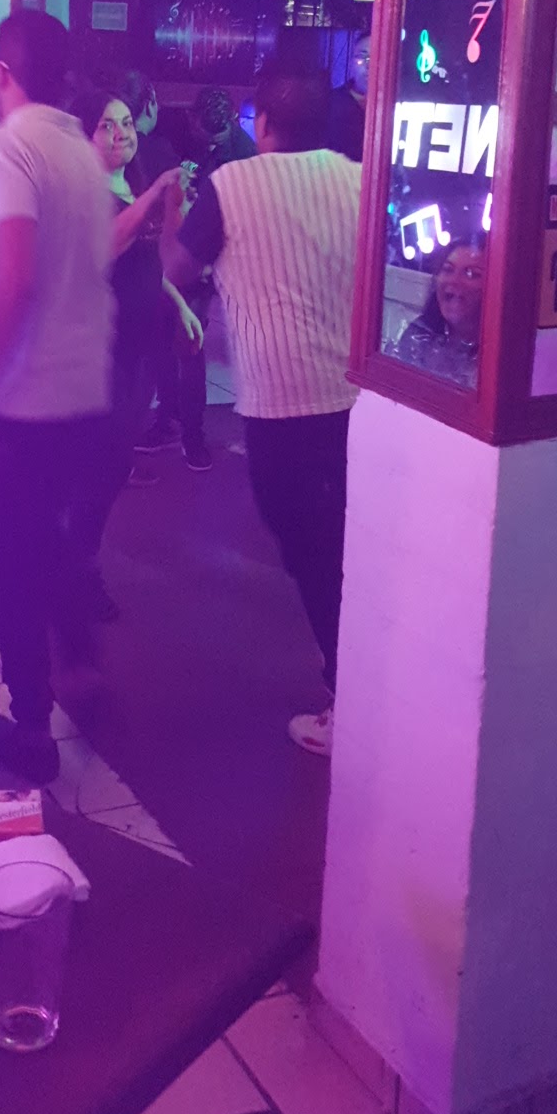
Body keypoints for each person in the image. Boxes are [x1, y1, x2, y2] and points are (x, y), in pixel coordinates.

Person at [161, 64, 361, 757]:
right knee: (344, 546)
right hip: (357, 397)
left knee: (310, 551)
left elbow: (175, 270)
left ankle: (348, 696)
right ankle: (360, 678)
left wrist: (170, 211)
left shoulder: (231, 184)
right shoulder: (357, 179)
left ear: (263, 122)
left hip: (282, 400)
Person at [0, 11, 115, 785]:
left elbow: (12, 278)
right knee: (42, 537)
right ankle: (74, 619)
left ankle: (32, 728)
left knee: (11, 564)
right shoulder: (82, 154)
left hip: (17, 397)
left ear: (1, 71)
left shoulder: (3, 148)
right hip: (81, 391)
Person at [70, 89, 201, 624]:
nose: (121, 133)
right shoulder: (83, 193)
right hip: (97, 349)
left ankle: (75, 562)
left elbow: (153, 259)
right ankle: (76, 571)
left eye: (125, 123)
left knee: (115, 459)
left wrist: (179, 304)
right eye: (106, 125)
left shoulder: (131, 185)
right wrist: (153, 197)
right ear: (86, 135)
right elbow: (107, 247)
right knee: (97, 465)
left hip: (138, 346)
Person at [139, 85, 256, 471]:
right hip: (175, 249)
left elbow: (239, 222)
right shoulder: (185, 135)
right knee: (162, 338)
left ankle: (192, 435)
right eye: (205, 135)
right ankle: (169, 420)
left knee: (189, 344)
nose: (209, 141)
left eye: (215, 138)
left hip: (206, 260)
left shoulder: (242, 158)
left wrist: (213, 263)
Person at [393, 239, 485, 390]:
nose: (454, 281)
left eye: (471, 274)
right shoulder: (418, 336)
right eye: (448, 269)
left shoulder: (497, 358)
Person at [120, 69, 176, 181]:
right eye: (156, 102)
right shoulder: (161, 150)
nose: (158, 108)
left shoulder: (108, 146)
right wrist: (194, 164)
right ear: (149, 106)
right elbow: (182, 172)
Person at [327, 32, 369, 162]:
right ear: (351, 63)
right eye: (363, 57)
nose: (369, 66)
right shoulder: (328, 103)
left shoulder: (398, 106)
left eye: (378, 58)